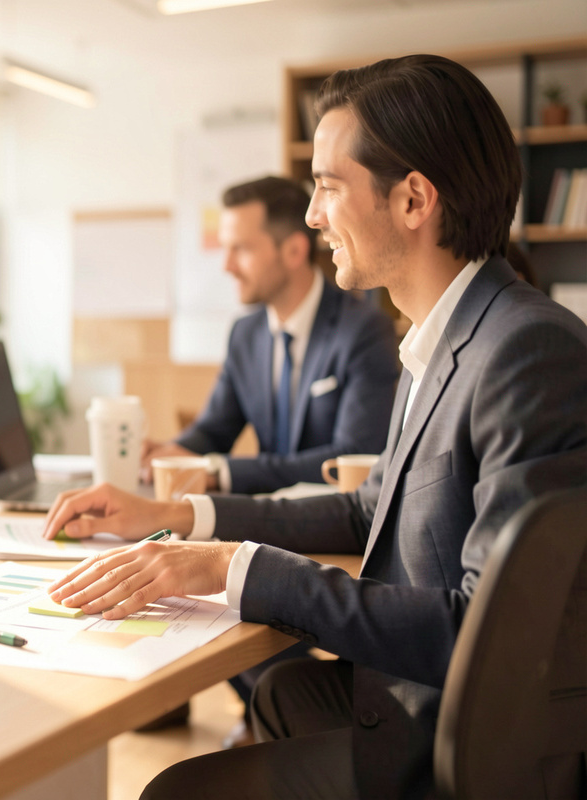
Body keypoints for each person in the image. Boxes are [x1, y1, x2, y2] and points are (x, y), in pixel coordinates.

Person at [42, 54, 587, 799]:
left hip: (472, 746)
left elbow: (480, 634)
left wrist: (236, 568)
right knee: (281, 691)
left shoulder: (524, 350)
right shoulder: (447, 335)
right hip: (418, 700)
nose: (311, 216)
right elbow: (373, 507)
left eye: (329, 186)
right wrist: (184, 518)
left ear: (413, 201)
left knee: (173, 792)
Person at [142, 176, 398, 495]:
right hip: (259, 522)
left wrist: (221, 472)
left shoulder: (364, 330)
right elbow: (212, 432)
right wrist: (168, 455)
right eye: (226, 249)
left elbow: (352, 458)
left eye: (241, 249)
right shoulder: (245, 333)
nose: (227, 266)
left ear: (293, 250)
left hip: (330, 527)